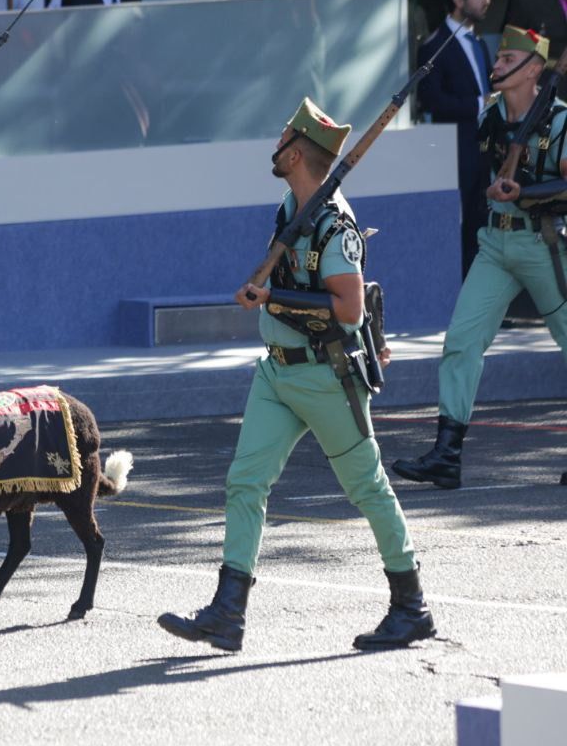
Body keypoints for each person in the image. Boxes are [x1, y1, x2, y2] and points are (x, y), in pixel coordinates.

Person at [157, 98, 435, 653]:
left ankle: (411, 605)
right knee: (245, 481)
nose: (274, 147)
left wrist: (272, 296)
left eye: (283, 139)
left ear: (300, 152)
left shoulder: (336, 225)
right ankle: (228, 612)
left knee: (367, 488)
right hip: (278, 373)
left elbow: (350, 308)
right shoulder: (291, 207)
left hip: (326, 374)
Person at [393, 26, 567, 490]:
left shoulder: (560, 120)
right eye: (500, 56)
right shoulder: (492, 114)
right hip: (496, 243)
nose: (498, 64)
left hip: (544, 242)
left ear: (534, 69)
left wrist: (525, 191)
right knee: (461, 343)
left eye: (509, 58)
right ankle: (447, 455)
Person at [416, 0, 492, 277]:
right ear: (458, 0)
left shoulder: (479, 42)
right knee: (462, 226)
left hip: (485, 148)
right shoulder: (435, 46)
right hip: (457, 151)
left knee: (483, 225)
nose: (487, 0)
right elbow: (433, 101)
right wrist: (478, 104)